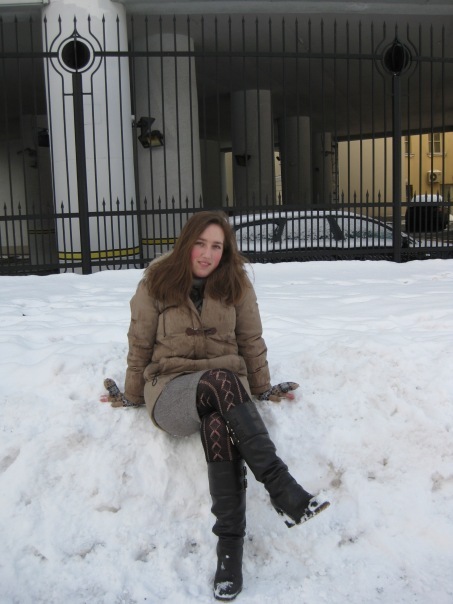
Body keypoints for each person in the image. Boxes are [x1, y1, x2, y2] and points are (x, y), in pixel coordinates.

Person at [101, 210, 330, 601]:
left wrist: (262, 388)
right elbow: (139, 344)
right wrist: (133, 395)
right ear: (186, 243)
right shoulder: (156, 281)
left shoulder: (236, 283)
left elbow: (251, 340)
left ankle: (230, 552)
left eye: (217, 247)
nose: (207, 254)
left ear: (226, 251)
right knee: (222, 381)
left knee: (219, 424)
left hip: (225, 391)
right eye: (200, 244)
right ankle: (282, 489)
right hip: (171, 391)